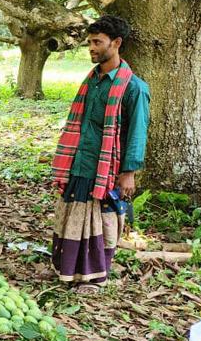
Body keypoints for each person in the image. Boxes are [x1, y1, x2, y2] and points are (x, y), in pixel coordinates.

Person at [50, 15, 150, 294]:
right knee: (73, 214)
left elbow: (137, 133)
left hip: (106, 167)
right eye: (89, 42)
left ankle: (94, 278)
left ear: (116, 43)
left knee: (101, 219)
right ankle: (69, 271)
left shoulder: (133, 88)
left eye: (97, 42)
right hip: (81, 161)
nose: (91, 48)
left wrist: (128, 173)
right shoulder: (92, 81)